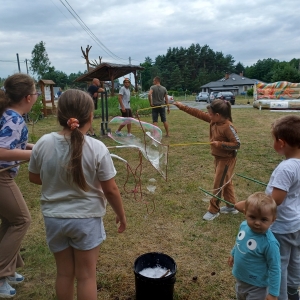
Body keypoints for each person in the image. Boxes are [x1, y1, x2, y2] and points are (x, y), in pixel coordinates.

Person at [28, 89, 126, 300]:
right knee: (86, 276)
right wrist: (121, 215)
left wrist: (56, 180)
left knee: (64, 273)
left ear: (59, 115)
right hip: (86, 221)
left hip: (54, 220)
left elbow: (34, 177)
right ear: (90, 117)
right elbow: (110, 189)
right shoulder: (98, 147)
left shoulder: (43, 143)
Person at [0, 73, 37, 298]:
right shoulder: (14, 119)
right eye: (36, 93)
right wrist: (31, 154)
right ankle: (1, 274)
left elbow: (16, 143)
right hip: (1, 176)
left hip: (4, 176)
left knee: (10, 220)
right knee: (22, 220)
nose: (36, 97)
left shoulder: (10, 115)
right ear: (28, 97)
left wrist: (40, 146)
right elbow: (2, 151)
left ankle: (9, 268)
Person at [173, 99, 240, 221]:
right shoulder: (214, 121)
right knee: (225, 181)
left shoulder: (228, 127)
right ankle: (231, 206)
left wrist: (220, 144)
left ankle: (213, 210)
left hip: (227, 159)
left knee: (218, 183)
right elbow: (197, 113)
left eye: (210, 114)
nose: (208, 115)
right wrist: (182, 106)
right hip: (218, 157)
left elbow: (237, 144)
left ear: (217, 115)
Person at [228, 192, 280, 300]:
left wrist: (273, 293)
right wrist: (233, 253)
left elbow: (275, 268)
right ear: (245, 213)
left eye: (263, 219)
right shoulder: (243, 226)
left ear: (273, 220)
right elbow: (239, 241)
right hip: (240, 280)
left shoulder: (270, 244)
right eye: (252, 217)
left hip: (257, 287)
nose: (257, 222)